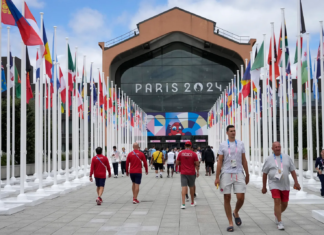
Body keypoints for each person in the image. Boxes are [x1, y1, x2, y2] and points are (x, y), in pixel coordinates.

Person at [215, 125, 249, 232]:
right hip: (226, 172)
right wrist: (217, 177)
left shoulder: (241, 144)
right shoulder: (223, 145)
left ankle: (236, 211)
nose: (233, 132)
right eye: (231, 131)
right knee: (227, 197)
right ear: (227, 133)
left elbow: (244, 160)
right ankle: (230, 223)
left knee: (241, 197)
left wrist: (247, 174)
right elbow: (220, 161)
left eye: (234, 131)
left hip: (238, 172)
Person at [262, 142, 301, 230]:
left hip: (285, 184)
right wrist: (264, 187)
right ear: (272, 148)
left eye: (279, 146)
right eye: (275, 147)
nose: (277, 148)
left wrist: (296, 182)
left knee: (284, 204)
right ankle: (280, 222)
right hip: (274, 183)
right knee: (277, 200)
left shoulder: (287, 158)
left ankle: (277, 213)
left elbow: (293, 171)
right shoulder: (269, 159)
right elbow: (264, 173)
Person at [176, 140, 199, 209]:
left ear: (184, 146)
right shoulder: (194, 154)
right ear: (191, 146)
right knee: (191, 187)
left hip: (183, 172)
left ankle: (183, 204)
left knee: (184, 187)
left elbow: (177, 163)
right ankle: (192, 202)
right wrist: (195, 168)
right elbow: (197, 164)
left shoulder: (180, 153)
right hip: (191, 172)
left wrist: (182, 164)